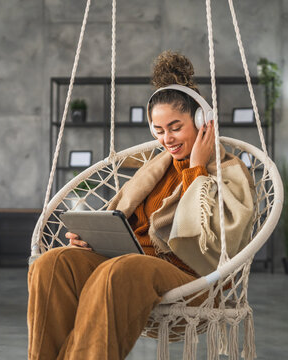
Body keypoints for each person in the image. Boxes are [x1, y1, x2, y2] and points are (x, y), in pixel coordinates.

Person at [27, 50, 256, 360]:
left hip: (191, 281)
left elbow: (211, 243)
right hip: (129, 266)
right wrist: (92, 242)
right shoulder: (154, 171)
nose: (167, 140)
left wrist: (196, 170)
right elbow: (123, 226)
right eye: (159, 131)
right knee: (53, 264)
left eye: (176, 128)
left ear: (204, 123)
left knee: (122, 269)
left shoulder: (228, 172)